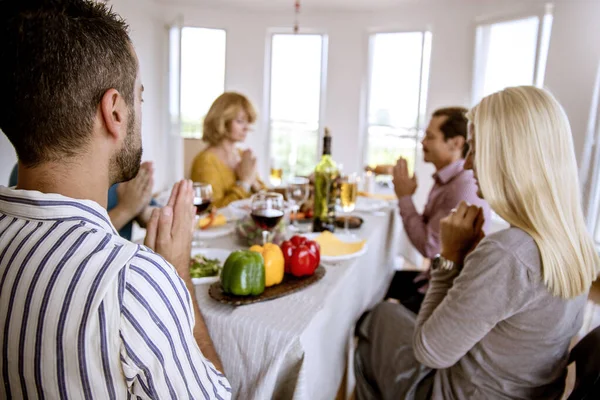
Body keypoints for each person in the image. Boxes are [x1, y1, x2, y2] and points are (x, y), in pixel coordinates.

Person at [0, 1, 230, 398]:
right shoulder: (134, 281)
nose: (140, 108)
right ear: (115, 112)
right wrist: (177, 273)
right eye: (138, 98)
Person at [354, 86, 600, 400]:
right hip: (525, 391)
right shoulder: (574, 240)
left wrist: (450, 258)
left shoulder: (507, 253)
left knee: (374, 320)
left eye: (477, 149)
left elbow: (429, 351)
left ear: (509, 158)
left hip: (458, 393)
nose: (468, 164)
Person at [385, 107, 490, 314]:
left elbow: (429, 247)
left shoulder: (463, 186)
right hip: (429, 278)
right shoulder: (446, 179)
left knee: (374, 310)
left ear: (456, 143)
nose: (423, 142)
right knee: (376, 281)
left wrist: (404, 197)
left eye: (430, 137)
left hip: (442, 297)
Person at [8, 161, 157, 241]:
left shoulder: (119, 170)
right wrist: (126, 210)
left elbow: (151, 212)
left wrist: (142, 209)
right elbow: (58, 245)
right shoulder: (33, 171)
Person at [190, 92, 265, 208]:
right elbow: (213, 210)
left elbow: (266, 197)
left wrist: (253, 182)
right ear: (222, 121)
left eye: (248, 122)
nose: (246, 128)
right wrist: (244, 183)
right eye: (240, 121)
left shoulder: (241, 154)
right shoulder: (205, 161)